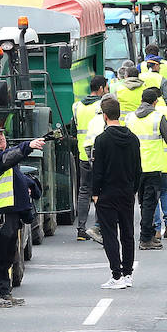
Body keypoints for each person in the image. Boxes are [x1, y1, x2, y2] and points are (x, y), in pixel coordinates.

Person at [0, 125, 46, 306]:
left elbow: (15, 175)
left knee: (8, 253)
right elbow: (9, 157)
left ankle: (3, 291)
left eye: (2, 135)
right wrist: (28, 145)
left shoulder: (1, 155)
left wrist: (30, 184)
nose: (1, 138)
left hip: (9, 211)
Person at [89, 98, 140, 289]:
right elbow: (138, 169)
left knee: (110, 234)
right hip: (126, 192)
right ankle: (128, 274)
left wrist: (95, 193)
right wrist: (133, 189)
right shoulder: (133, 138)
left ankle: (116, 275)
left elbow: (98, 170)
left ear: (105, 115)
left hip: (107, 194)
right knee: (128, 233)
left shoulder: (101, 140)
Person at [126, 88, 167, 251]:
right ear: (155, 102)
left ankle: (149, 234)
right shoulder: (158, 117)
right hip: (153, 167)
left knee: (142, 203)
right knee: (149, 204)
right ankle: (146, 238)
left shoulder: (130, 118)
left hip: (134, 167)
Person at [72, 76, 109, 243]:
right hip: (100, 154)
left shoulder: (77, 106)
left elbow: (74, 129)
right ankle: (98, 228)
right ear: (101, 88)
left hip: (82, 153)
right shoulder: (102, 106)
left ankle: (81, 229)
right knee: (101, 191)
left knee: (84, 190)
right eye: (106, 88)